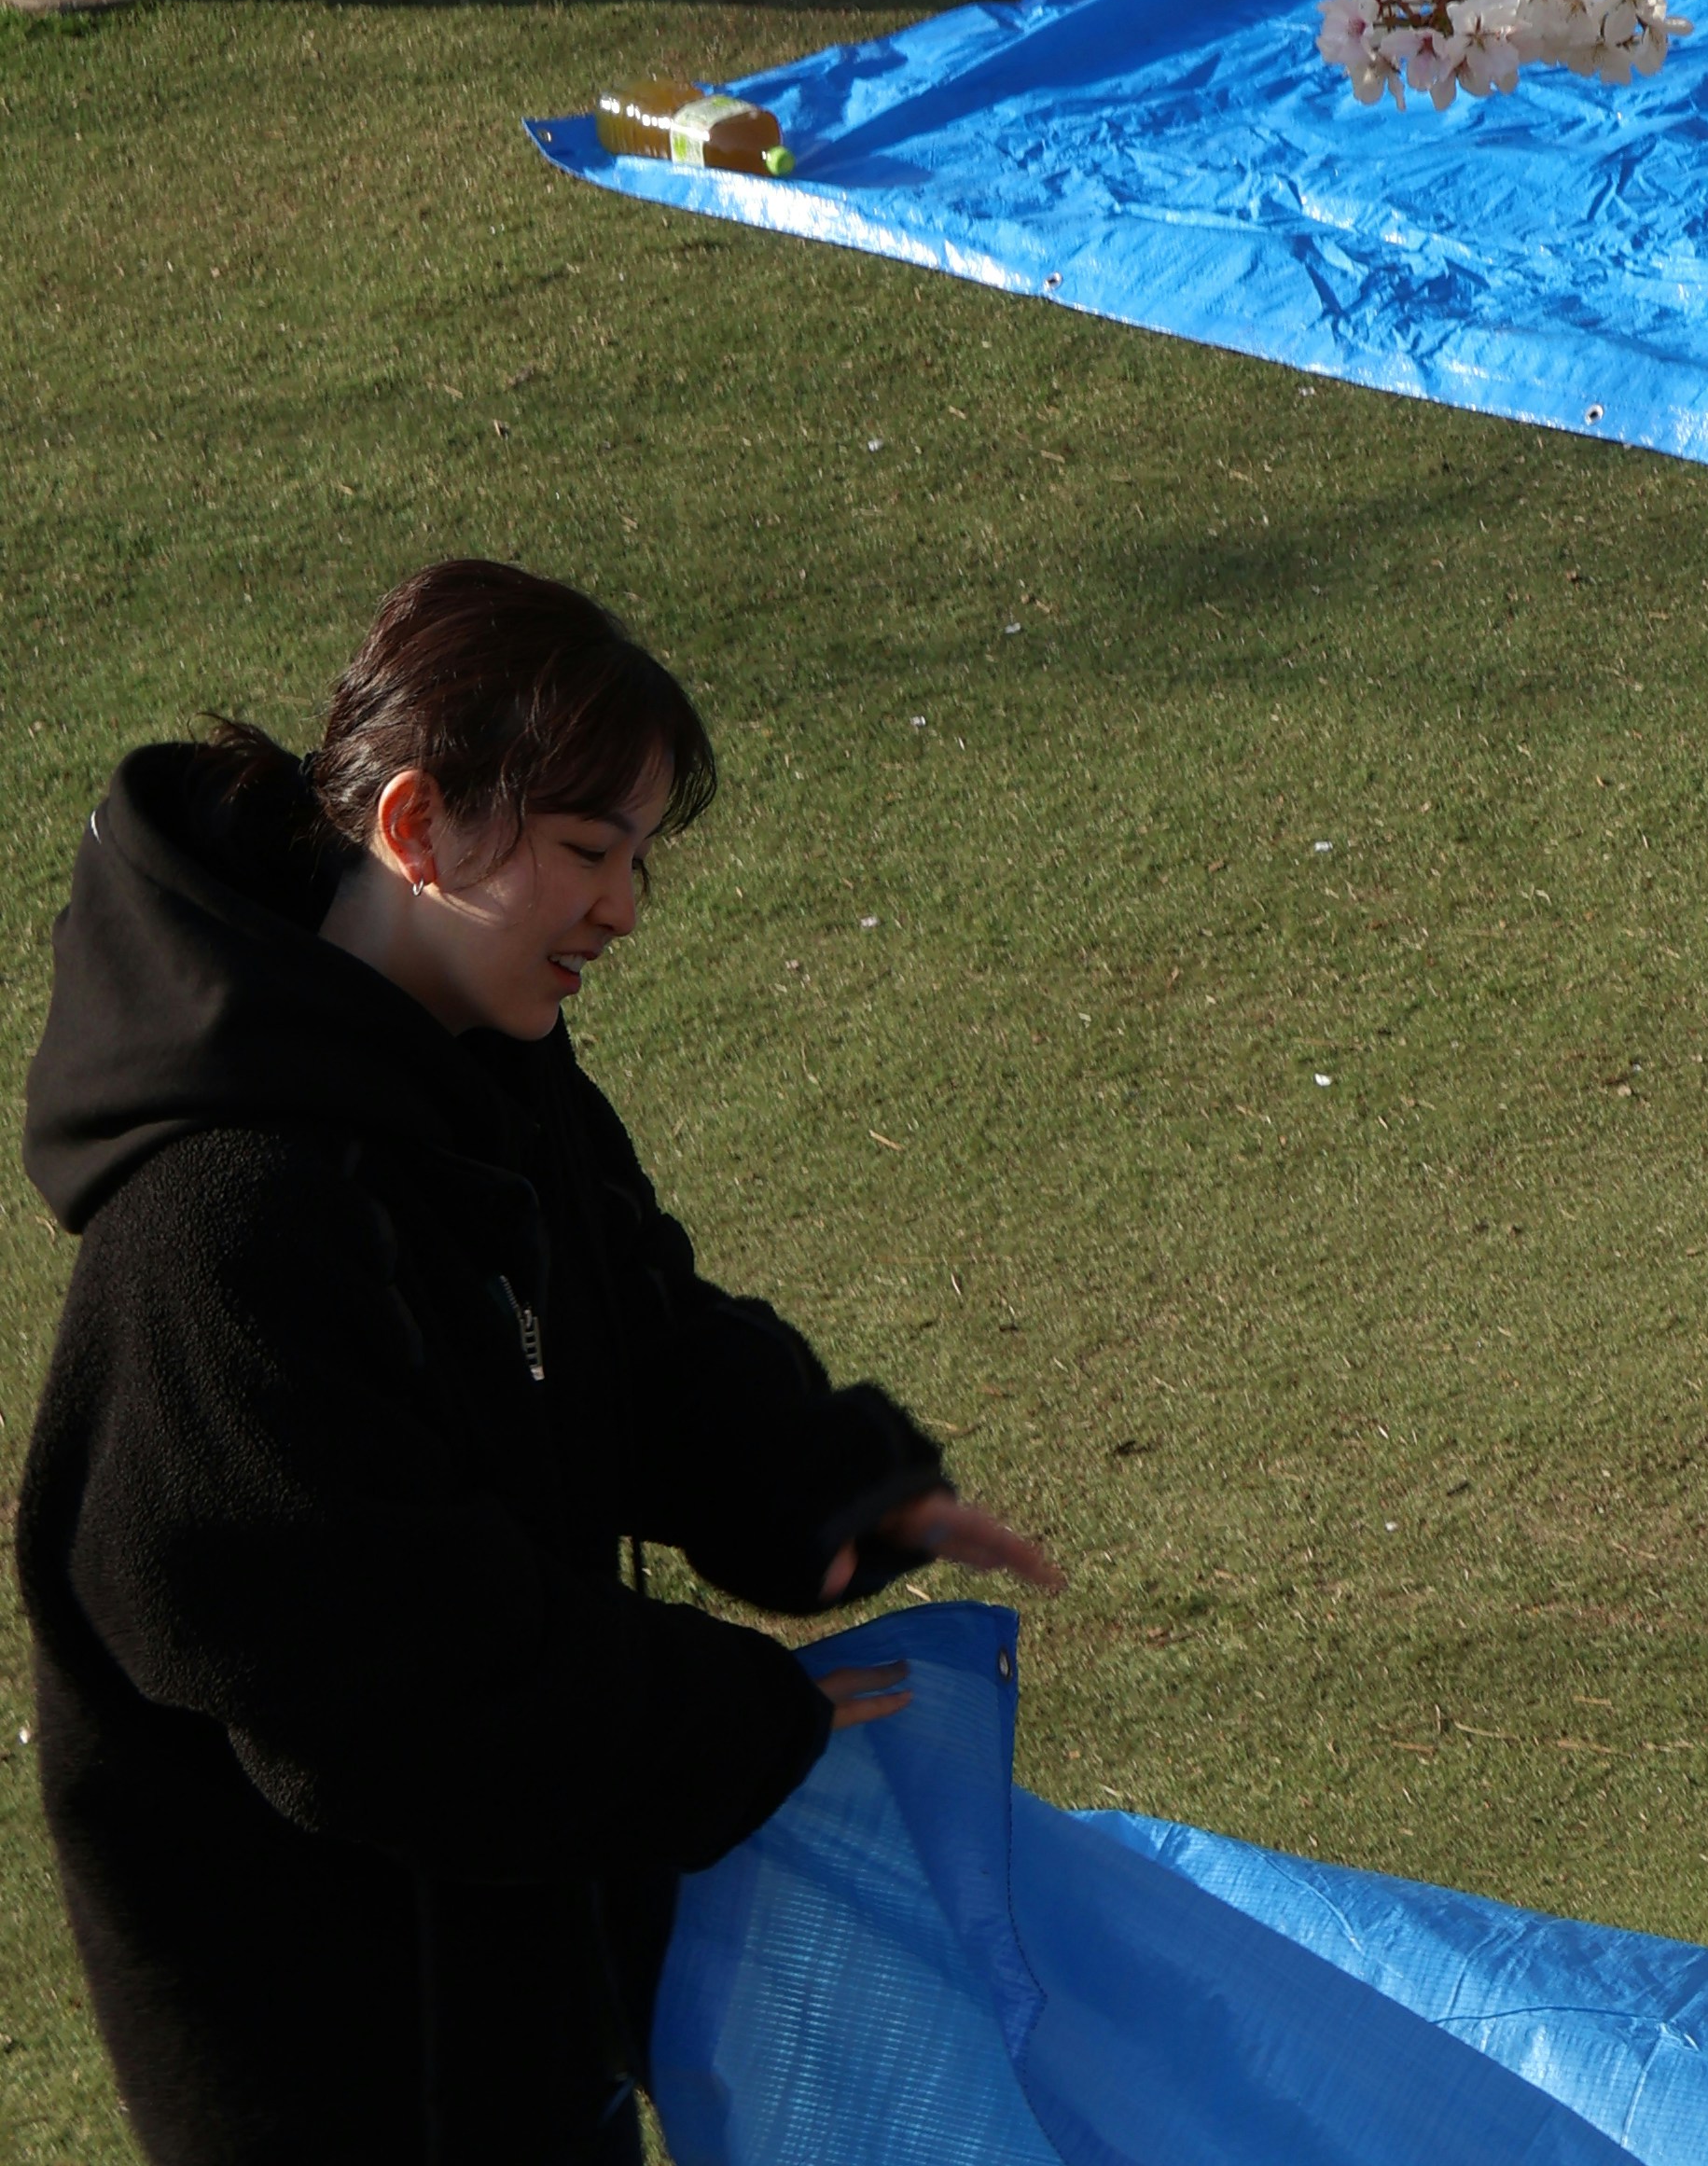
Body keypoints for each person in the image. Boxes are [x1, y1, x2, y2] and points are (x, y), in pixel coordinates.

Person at [14, 558, 1059, 2166]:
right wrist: (725, 1722)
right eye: (586, 850)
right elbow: (381, 1689)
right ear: (420, 826)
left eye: (637, 857)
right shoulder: (224, 1237)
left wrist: (834, 1483)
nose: (624, 909)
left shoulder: (500, 1090)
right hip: (347, 2087)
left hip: (521, 2017)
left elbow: (632, 1333)